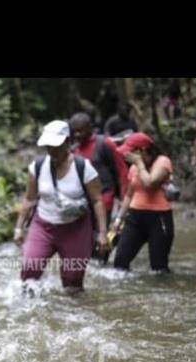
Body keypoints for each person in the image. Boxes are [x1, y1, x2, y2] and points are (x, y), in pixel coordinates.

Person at [14, 120, 108, 294]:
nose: (52, 150)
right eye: (48, 146)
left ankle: (71, 314)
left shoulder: (83, 167)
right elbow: (29, 199)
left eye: (56, 146)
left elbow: (97, 200)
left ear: (67, 142)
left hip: (76, 229)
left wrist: (102, 233)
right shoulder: (37, 167)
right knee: (29, 269)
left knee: (73, 280)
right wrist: (19, 228)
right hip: (43, 225)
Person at [112, 132, 175, 273]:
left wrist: (139, 163)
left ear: (142, 150)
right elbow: (129, 195)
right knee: (120, 261)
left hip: (159, 219)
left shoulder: (162, 162)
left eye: (131, 151)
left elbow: (150, 183)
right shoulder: (134, 168)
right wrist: (118, 219)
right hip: (135, 218)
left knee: (159, 268)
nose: (127, 155)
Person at [70, 112, 130, 226]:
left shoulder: (104, 144)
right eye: (74, 131)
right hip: (82, 204)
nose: (77, 135)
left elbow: (122, 171)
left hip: (105, 200)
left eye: (80, 130)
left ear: (89, 128)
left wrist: (123, 200)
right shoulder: (74, 150)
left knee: (102, 237)